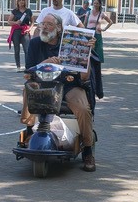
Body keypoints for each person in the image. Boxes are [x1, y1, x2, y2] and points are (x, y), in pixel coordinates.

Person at [23, 12, 96, 172]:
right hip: (43, 85)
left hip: (68, 86)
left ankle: (88, 149)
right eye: (43, 24)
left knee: (83, 109)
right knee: (28, 87)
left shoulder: (70, 42)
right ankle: (29, 131)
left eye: (48, 24)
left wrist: (87, 53)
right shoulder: (35, 43)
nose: (44, 27)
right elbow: (28, 73)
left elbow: (84, 77)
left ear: (58, 28)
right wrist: (45, 63)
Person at [86, 0, 114, 99]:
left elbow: (110, 22)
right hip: (89, 34)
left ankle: (97, 71)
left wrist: (104, 29)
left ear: (100, 4)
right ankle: (88, 70)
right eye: (94, 3)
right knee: (88, 53)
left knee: (97, 54)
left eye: (97, 3)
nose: (95, 4)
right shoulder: (88, 13)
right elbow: (85, 24)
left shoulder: (102, 14)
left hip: (97, 35)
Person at [7, 0, 33, 70]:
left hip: (25, 31)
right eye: (20, 0)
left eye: (23, 0)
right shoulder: (15, 11)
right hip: (16, 31)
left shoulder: (28, 11)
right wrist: (15, 22)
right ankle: (18, 67)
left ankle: (27, 67)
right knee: (17, 49)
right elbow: (9, 21)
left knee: (27, 49)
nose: (22, 1)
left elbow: (32, 22)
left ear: (25, 2)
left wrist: (30, 29)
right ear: (17, 2)